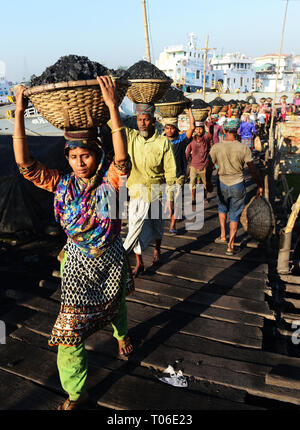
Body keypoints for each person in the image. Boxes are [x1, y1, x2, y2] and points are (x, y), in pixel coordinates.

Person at [13, 76, 135, 410]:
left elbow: (122, 161)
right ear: (66, 157)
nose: (80, 163)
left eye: (86, 156)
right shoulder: (61, 183)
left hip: (109, 257)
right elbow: (25, 166)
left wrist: (112, 108)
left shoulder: (112, 181)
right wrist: (19, 114)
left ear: (97, 154)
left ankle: (121, 335)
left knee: (116, 304)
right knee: (69, 333)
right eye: (73, 157)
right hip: (78, 263)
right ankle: (75, 392)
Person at [123, 103, 177, 276]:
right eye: (140, 120)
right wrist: (111, 104)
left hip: (156, 192)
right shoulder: (131, 137)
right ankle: (139, 263)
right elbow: (113, 124)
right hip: (137, 194)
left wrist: (171, 198)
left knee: (157, 224)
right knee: (134, 227)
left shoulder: (163, 143)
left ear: (153, 121)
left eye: (146, 120)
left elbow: (170, 171)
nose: (143, 124)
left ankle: (157, 249)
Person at [206, 118, 263, 256]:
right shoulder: (243, 148)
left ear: (224, 131)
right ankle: (230, 246)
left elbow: (209, 167)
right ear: (238, 131)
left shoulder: (216, 147)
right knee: (235, 214)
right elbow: (252, 169)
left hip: (222, 183)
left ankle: (223, 235)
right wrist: (259, 185)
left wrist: (208, 181)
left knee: (222, 208)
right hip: (237, 183)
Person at [163, 108, 195, 234]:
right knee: (170, 203)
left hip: (178, 176)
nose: (169, 130)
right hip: (166, 177)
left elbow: (192, 127)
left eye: (171, 128)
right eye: (167, 128)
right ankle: (173, 217)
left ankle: (173, 224)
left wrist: (189, 110)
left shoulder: (181, 140)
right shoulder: (162, 141)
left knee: (176, 201)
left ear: (175, 129)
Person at [186, 122, 212, 204]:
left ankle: (205, 197)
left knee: (205, 184)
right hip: (194, 165)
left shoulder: (206, 138)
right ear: (194, 130)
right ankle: (193, 198)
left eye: (200, 129)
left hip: (204, 165)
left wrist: (209, 123)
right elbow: (188, 152)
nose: (199, 130)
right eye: (197, 129)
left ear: (203, 130)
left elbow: (210, 134)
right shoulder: (191, 140)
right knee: (192, 183)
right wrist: (186, 162)